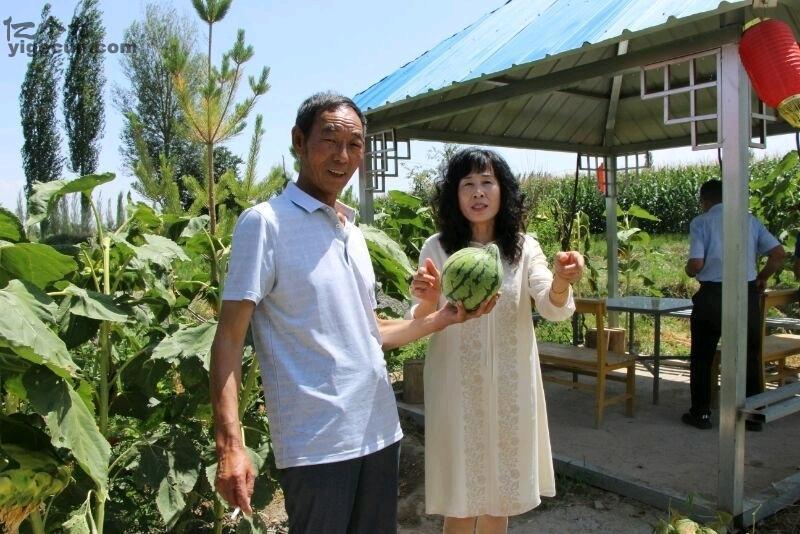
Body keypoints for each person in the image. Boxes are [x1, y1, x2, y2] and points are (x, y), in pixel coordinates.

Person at [210, 92, 497, 534]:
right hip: (316, 445)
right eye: (329, 140)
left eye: (355, 144)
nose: (343, 156)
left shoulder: (352, 232)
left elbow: (370, 332)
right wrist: (230, 444)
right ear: (299, 141)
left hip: (380, 432)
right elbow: (229, 339)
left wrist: (444, 318)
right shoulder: (265, 224)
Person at [409, 148, 584, 534]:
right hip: (456, 388)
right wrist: (425, 300)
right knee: (459, 502)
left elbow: (552, 306)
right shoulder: (438, 247)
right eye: (467, 184)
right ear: (454, 195)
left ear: (503, 190)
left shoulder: (525, 247)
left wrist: (561, 280)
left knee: (500, 499)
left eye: (487, 182)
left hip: (511, 388)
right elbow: (418, 319)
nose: (478, 192)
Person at [683, 179, 785, 432]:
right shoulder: (748, 221)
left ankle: (701, 413)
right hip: (745, 293)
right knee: (749, 355)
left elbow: (696, 263)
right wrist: (762, 277)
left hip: (712, 295)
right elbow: (778, 254)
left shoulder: (701, 222)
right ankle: (753, 416)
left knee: (703, 356)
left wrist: (689, 271)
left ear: (704, 201)